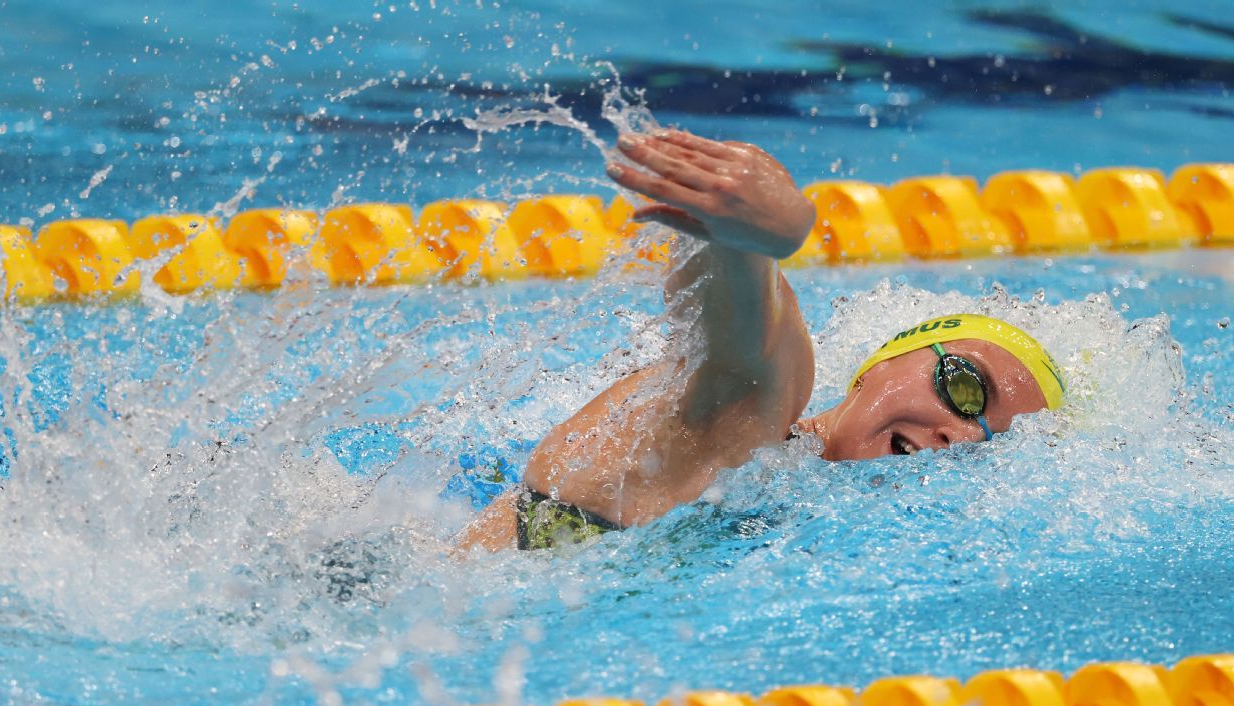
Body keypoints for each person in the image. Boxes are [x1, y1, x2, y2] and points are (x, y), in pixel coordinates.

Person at [456, 129, 1065, 552]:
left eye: (990, 445)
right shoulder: (756, 419)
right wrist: (752, 239)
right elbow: (739, 339)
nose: (960, 436)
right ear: (882, 363)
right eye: (964, 388)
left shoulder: (794, 505)